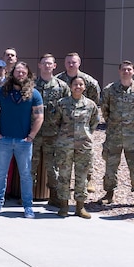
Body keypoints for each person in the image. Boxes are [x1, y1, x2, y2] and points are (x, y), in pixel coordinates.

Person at [0, 61, 43, 218]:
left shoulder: (34, 94)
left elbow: (39, 116)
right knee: (1, 173)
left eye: (23, 72)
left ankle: (28, 206)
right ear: (12, 73)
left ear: (28, 74)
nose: (20, 74)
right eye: (17, 71)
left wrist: (31, 136)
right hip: (3, 140)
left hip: (24, 142)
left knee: (26, 174)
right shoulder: (1, 92)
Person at [99, 60, 134, 208]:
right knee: (110, 166)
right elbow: (104, 108)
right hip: (114, 135)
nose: (126, 72)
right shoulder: (110, 89)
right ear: (119, 71)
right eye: (123, 69)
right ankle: (109, 194)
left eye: (129, 69)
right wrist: (111, 122)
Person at [49, 76, 99, 218]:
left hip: (84, 145)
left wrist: (85, 133)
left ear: (84, 87)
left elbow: (94, 122)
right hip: (65, 145)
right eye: (75, 84)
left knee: (82, 176)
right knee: (64, 176)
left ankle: (80, 207)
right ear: (70, 87)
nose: (78, 86)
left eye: (81, 84)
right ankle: (64, 206)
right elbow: (55, 121)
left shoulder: (90, 105)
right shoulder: (62, 103)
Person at [33, 54, 70, 207]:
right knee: (30, 165)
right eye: (44, 63)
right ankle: (27, 195)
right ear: (39, 65)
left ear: (55, 66)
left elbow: (68, 109)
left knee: (53, 166)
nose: (47, 66)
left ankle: (54, 195)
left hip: (53, 133)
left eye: (50, 64)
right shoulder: (31, 85)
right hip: (34, 132)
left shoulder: (62, 86)